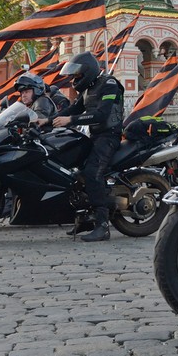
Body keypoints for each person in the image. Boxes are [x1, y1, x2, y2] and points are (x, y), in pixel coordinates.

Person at [52, 53, 124, 241]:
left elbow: (101, 114)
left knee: (93, 173)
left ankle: (102, 226)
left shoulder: (109, 84)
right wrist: (45, 121)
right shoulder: (88, 88)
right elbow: (73, 109)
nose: (75, 79)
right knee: (76, 173)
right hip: (94, 136)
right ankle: (87, 218)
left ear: (88, 71)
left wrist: (71, 120)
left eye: (77, 75)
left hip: (109, 137)